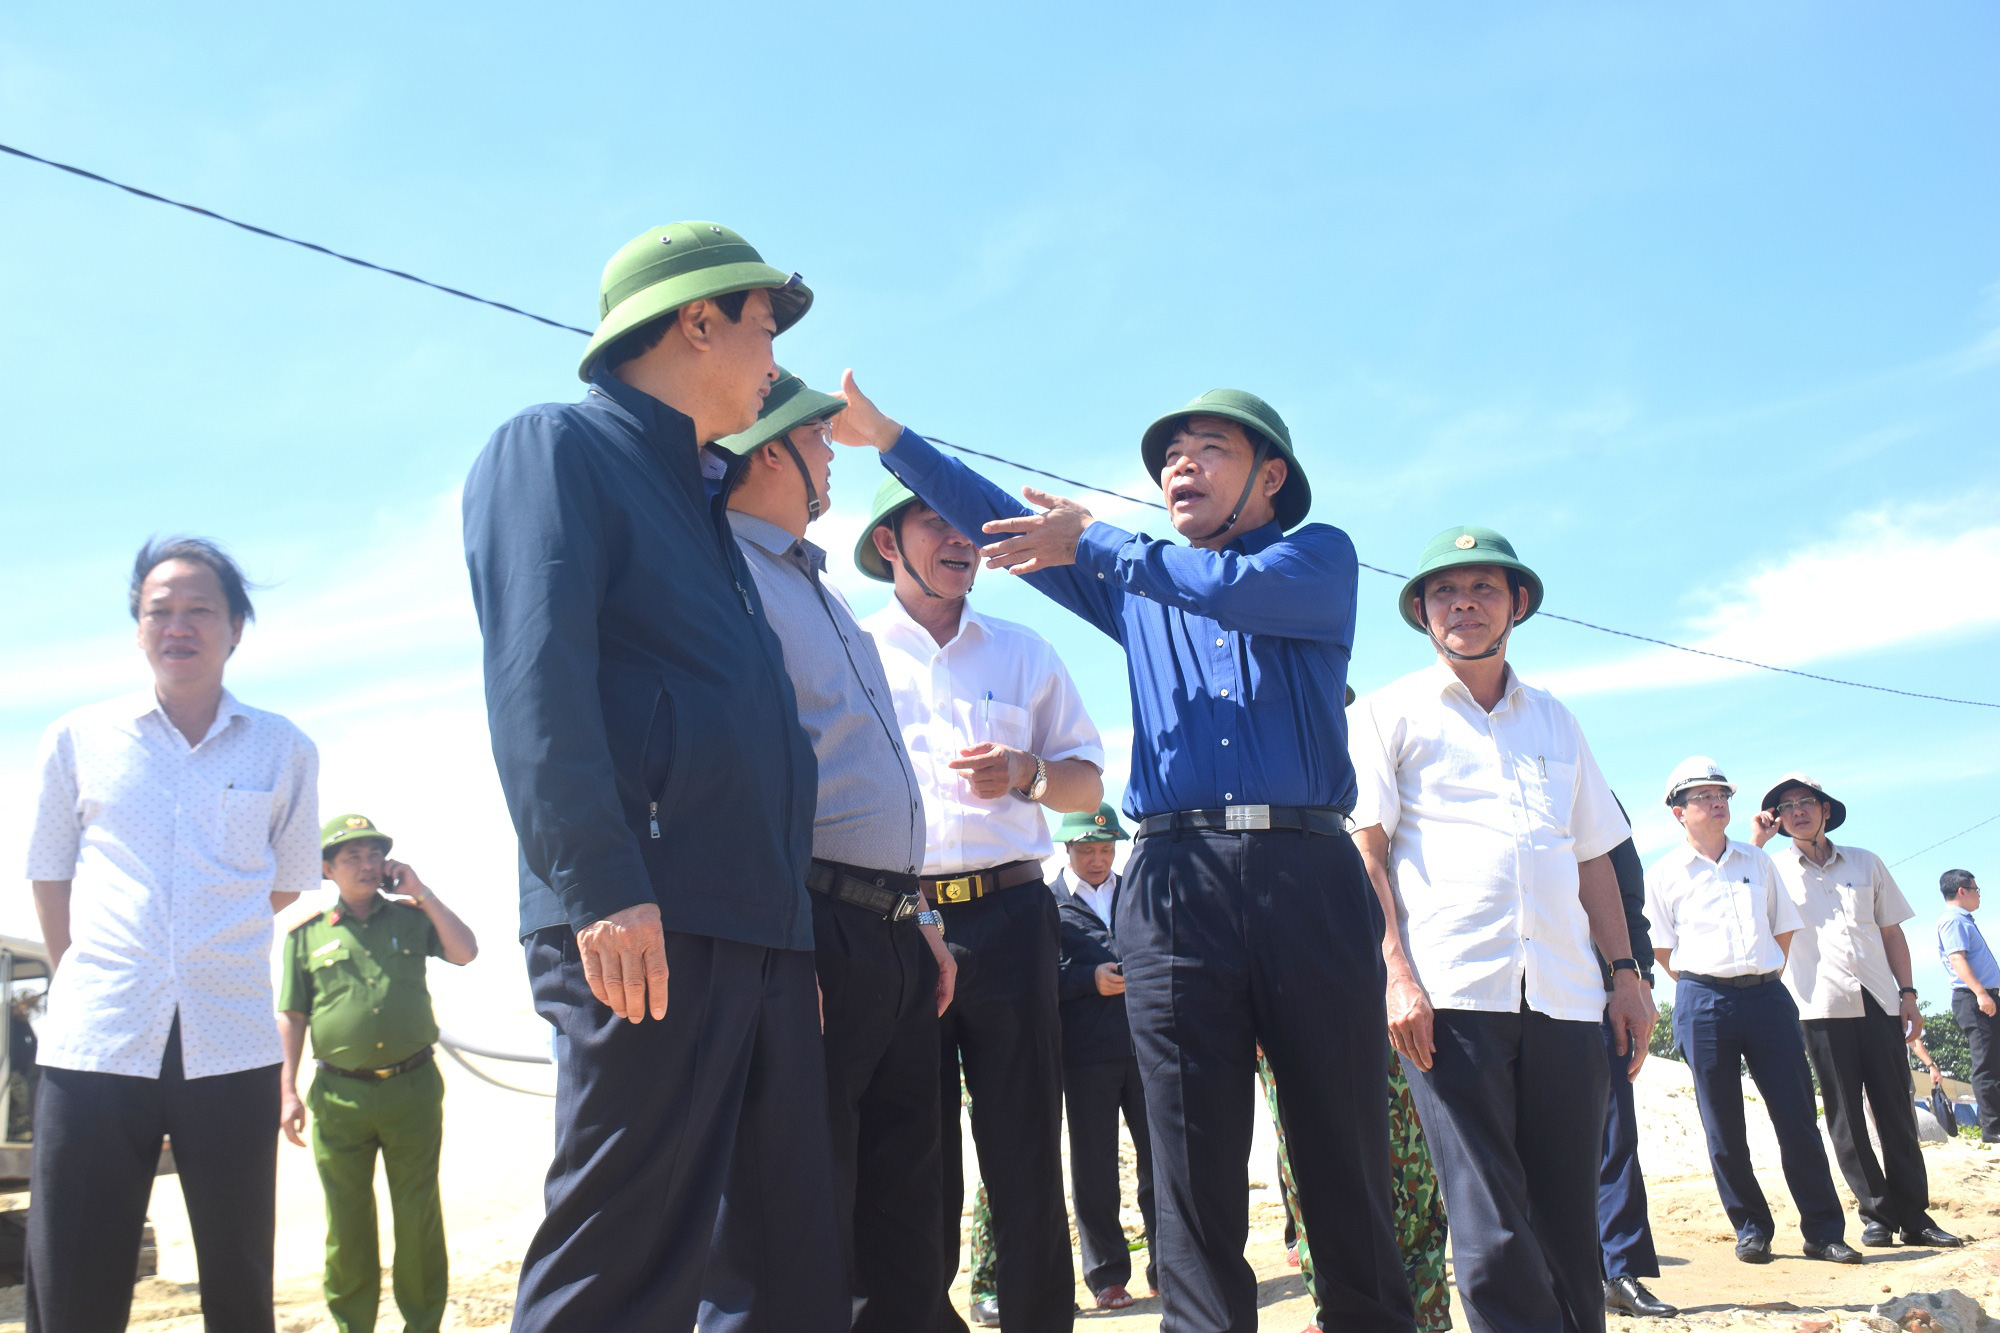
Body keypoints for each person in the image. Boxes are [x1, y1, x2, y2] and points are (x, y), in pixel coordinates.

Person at [836, 382, 1418, 1333]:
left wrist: (1099, 540)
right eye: (1168, 455)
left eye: (1208, 449)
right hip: (1176, 884)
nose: (1178, 465)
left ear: (1270, 476)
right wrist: (889, 438)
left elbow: (1232, 588)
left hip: (1307, 875)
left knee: (1339, 1145)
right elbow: (1000, 525)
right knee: (1187, 1159)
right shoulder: (1141, 591)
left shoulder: (1315, 558)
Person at [461, 222, 848, 1331]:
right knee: (624, 1266)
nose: (773, 359)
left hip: (754, 928)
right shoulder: (556, 448)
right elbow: (536, 677)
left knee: (783, 1262)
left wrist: (787, 933)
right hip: (647, 918)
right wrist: (597, 882)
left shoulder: (700, 498)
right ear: (696, 321)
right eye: (763, 326)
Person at [1348, 526, 1652, 1333]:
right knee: (1489, 1222)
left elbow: (1593, 861)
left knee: (1566, 1215)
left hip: (1564, 993)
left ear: (1516, 603)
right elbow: (1367, 852)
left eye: (1483, 587)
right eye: (1445, 591)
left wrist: (1625, 974)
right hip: (1451, 995)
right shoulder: (1387, 713)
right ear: (1421, 610)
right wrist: (1396, 975)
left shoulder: (1555, 719)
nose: (1464, 604)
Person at [709, 371, 957, 1328]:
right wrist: (780, 934)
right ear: (772, 450)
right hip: (810, 927)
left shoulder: (823, 592)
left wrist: (923, 917)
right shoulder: (723, 579)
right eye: (820, 441)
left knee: (906, 1207)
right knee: (801, 1213)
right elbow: (732, 775)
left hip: (892, 934)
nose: (830, 459)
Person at [24, 536, 320, 1332]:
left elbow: (287, 878)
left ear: (235, 630)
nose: (178, 625)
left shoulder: (282, 746)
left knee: (237, 1276)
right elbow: (49, 871)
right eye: (160, 611)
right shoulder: (77, 738)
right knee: (74, 1275)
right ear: (137, 629)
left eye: (200, 610)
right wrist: (77, 973)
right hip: (95, 1039)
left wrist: (210, 939)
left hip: (230, 1038)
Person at [854, 474, 1104, 1332]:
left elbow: (1086, 778)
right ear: (889, 542)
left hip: (1012, 919)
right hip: (893, 924)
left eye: (966, 525)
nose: (959, 539)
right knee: (909, 1156)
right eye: (935, 523)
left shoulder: (1025, 652)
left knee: (1026, 1146)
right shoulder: (850, 647)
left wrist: (1028, 774)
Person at [1644, 757, 1860, 1266]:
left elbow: (1782, 928)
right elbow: (1662, 949)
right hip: (1703, 1001)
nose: (1717, 802)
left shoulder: (1757, 862)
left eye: (1722, 793)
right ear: (1679, 813)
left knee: (1797, 1116)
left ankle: (1824, 1230)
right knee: (1723, 1124)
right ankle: (1751, 1227)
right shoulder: (1664, 873)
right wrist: (1706, 982)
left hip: (1767, 997)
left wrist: (1758, 976)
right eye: (1703, 796)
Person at [278, 814, 480, 1333]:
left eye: (374, 855)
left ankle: (422, 1325)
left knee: (418, 1218)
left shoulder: (414, 918)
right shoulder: (304, 937)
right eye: (352, 857)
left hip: (411, 1088)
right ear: (327, 868)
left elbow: (465, 950)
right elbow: (292, 1017)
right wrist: (287, 1093)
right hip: (339, 1097)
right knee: (347, 1224)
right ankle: (353, 1326)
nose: (366, 866)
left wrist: (424, 893)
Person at [1751, 773, 1959, 1249]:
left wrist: (1908, 993)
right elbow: (1740, 897)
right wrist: (1757, 840)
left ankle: (1916, 1217)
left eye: (1807, 802)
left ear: (1827, 810)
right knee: (1844, 1115)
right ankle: (1877, 1214)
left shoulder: (1866, 863)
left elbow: (1891, 932)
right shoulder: (1770, 869)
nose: (1798, 811)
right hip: (1818, 1003)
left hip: (1880, 1001)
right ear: (1778, 819)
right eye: (1786, 806)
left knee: (1897, 1111)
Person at [1050, 803, 1156, 1312]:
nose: (1097, 859)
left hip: (1146, 1047)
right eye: (1087, 850)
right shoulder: (1046, 904)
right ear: (1067, 849)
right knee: (1094, 1169)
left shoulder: (1139, 890)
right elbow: (1037, 977)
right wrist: (1086, 981)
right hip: (1086, 1054)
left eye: (1106, 848)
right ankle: (1107, 1276)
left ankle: (1169, 1264)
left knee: (1161, 1163)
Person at [1596, 812, 1677, 1320]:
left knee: (1615, 1135)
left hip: (1598, 985)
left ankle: (1620, 1272)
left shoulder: (1591, 787)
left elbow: (1628, 898)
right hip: (1500, 990)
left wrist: (1639, 978)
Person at [1936, 869, 2000, 1142]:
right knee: (1986, 1064)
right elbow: (1957, 960)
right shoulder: (1954, 921)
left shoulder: (1963, 920)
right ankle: (1993, 1129)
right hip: (1973, 998)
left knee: (1994, 1061)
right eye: (1976, 889)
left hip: (1983, 995)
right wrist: (1981, 993)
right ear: (1962, 890)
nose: (1978, 895)